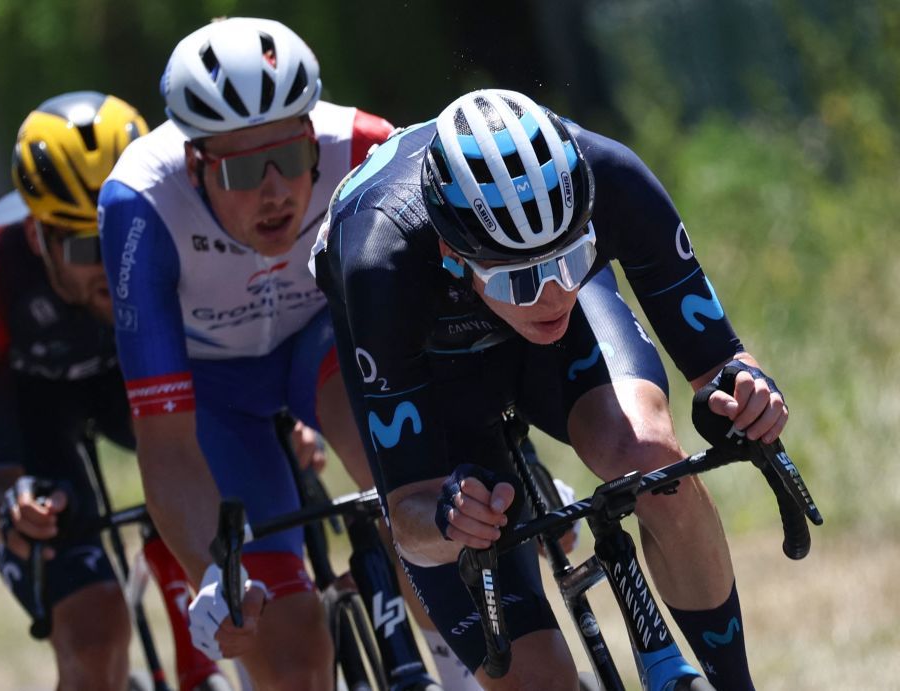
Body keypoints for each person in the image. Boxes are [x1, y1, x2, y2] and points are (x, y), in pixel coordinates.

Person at [312, 88, 788, 690]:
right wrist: (448, 519)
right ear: (450, 250)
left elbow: (722, 362)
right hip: (435, 379)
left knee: (648, 457)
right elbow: (408, 514)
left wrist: (749, 396)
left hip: (557, 355)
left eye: (571, 259)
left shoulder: (610, 174)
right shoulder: (381, 261)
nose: (553, 294)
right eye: (520, 278)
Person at [96, 17, 448, 690]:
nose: (274, 190)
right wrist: (211, 577)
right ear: (194, 163)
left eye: (289, 158)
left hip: (326, 345)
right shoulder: (138, 202)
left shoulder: (367, 146)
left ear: (316, 136)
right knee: (287, 660)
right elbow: (166, 445)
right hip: (214, 392)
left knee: (416, 491)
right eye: (240, 168)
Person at [0, 92, 152, 690]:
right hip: (32, 412)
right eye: (86, 247)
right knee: (95, 633)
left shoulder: (181, 231)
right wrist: (13, 512)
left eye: (122, 237)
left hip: (133, 383)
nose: (111, 265)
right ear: (36, 237)